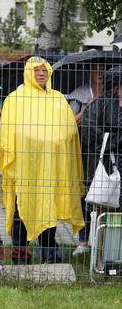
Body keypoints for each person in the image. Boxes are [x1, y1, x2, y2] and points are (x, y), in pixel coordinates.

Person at [0, 56, 85, 264]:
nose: (41, 74)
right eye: (36, 70)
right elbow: (10, 133)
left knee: (49, 209)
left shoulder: (57, 99)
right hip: (24, 167)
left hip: (51, 167)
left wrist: (50, 139)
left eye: (45, 70)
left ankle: (49, 255)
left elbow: (68, 130)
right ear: (28, 73)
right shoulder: (17, 99)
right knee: (21, 210)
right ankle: (20, 257)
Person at [80, 66, 122, 253]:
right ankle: (104, 257)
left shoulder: (99, 105)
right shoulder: (100, 106)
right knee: (105, 212)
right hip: (107, 166)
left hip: (111, 163)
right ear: (117, 86)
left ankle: (111, 254)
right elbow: (95, 138)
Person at [68, 63, 106, 255]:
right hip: (85, 153)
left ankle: (105, 243)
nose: (100, 73)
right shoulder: (80, 94)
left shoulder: (114, 92)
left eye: (103, 69)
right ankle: (83, 241)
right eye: (96, 69)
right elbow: (67, 121)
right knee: (86, 196)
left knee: (107, 197)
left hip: (108, 152)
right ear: (89, 72)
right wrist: (87, 109)